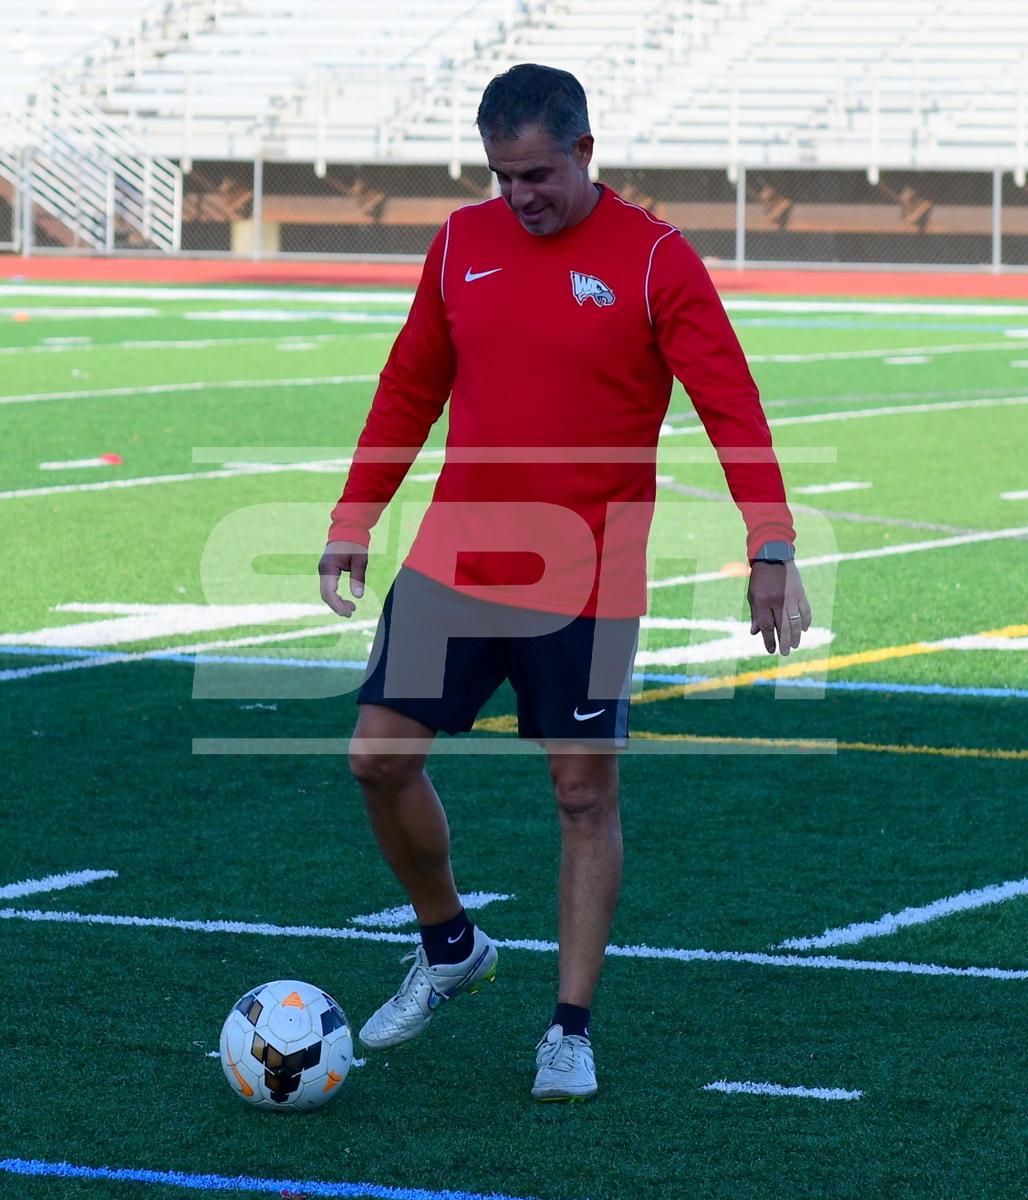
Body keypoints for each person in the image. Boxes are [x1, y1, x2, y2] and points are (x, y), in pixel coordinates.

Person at [319, 63, 811, 1103]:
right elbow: (408, 386)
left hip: (588, 573)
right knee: (376, 757)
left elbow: (730, 404)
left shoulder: (656, 260)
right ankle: (449, 945)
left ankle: (569, 1029)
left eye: (536, 174)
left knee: (582, 795)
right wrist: (353, 518)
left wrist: (769, 544)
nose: (518, 195)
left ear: (585, 151)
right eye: (501, 176)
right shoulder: (460, 243)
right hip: (456, 556)